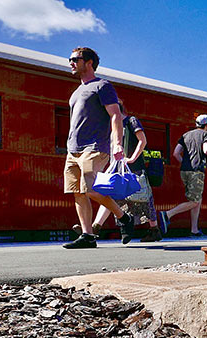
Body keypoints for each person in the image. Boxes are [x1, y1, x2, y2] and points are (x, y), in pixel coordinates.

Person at [63, 47, 134, 249]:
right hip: (73, 149)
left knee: (91, 188)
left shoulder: (102, 86)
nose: (71, 63)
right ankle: (87, 236)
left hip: (94, 146)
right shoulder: (76, 92)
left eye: (75, 59)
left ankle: (124, 217)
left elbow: (115, 115)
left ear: (89, 62)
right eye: (70, 59)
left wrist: (117, 143)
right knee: (77, 191)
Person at [80, 100, 163, 242]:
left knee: (144, 199)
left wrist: (132, 158)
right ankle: (95, 228)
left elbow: (142, 140)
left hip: (134, 167)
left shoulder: (131, 121)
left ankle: (154, 229)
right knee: (109, 196)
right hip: (116, 168)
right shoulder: (111, 127)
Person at [159, 114, 207, 237]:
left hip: (184, 171)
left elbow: (176, 153)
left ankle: (194, 230)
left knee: (197, 199)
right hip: (196, 172)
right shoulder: (206, 135)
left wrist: (185, 163)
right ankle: (167, 214)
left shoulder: (186, 135)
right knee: (195, 201)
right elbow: (206, 150)